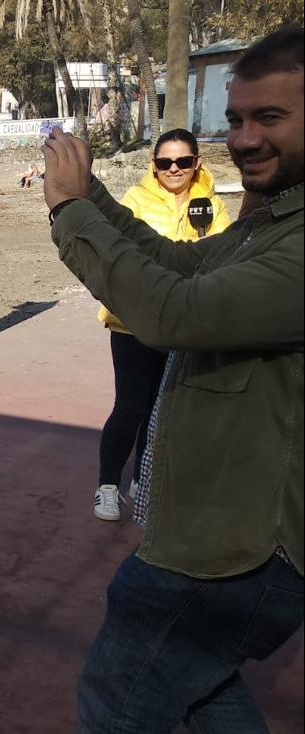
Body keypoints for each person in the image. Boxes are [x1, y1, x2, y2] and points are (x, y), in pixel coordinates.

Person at [42, 25, 303, 734]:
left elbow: (172, 313)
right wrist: (85, 191)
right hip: (218, 537)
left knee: (117, 710)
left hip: (235, 552)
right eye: (237, 119)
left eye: (271, 119)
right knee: (203, 689)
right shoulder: (274, 222)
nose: (244, 139)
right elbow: (177, 264)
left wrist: (68, 215)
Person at [91, 128, 232, 521]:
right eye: (165, 162)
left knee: (159, 409)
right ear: (153, 165)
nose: (174, 169)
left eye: (183, 161)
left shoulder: (212, 205)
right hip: (132, 322)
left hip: (182, 321)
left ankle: (142, 482)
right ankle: (106, 486)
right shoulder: (135, 201)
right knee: (131, 406)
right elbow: (118, 253)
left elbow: (220, 256)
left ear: (197, 163)